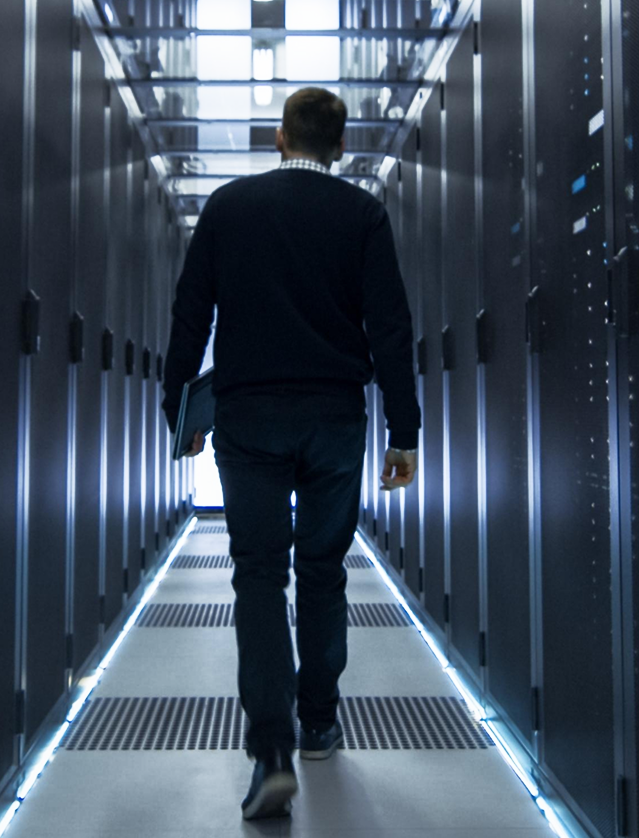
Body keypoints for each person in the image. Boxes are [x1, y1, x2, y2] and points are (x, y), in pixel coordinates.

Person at [160, 86, 421, 820]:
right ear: (339, 148)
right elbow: (391, 327)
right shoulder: (363, 215)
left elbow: (190, 315)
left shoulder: (229, 208)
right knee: (322, 571)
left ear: (280, 138)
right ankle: (317, 722)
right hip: (336, 417)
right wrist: (405, 430)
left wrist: (179, 410)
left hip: (250, 419)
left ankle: (270, 749)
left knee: (258, 576)